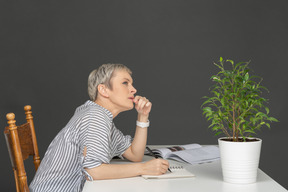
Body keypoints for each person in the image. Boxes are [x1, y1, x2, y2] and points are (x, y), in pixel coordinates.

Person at [29, 64, 169, 192]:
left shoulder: (101, 117)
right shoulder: (95, 117)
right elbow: (94, 171)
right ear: (103, 90)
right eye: (125, 83)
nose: (133, 89)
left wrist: (142, 116)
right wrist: (144, 168)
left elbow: (135, 154)